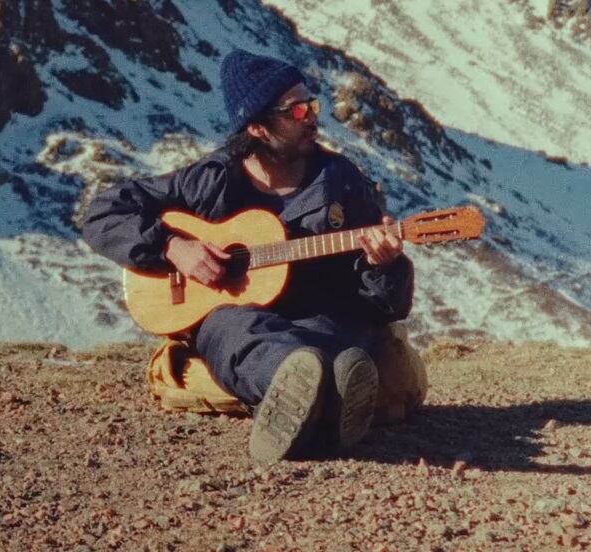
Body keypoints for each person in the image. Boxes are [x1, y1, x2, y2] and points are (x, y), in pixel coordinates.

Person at [81, 50, 413, 463]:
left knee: (337, 343)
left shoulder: (340, 182)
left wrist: (383, 265)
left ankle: (306, 398)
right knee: (231, 329)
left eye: (311, 103)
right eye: (295, 109)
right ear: (257, 126)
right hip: (239, 321)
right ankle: (309, 389)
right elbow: (102, 212)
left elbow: (383, 305)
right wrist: (172, 247)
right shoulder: (212, 180)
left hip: (320, 317)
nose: (311, 115)